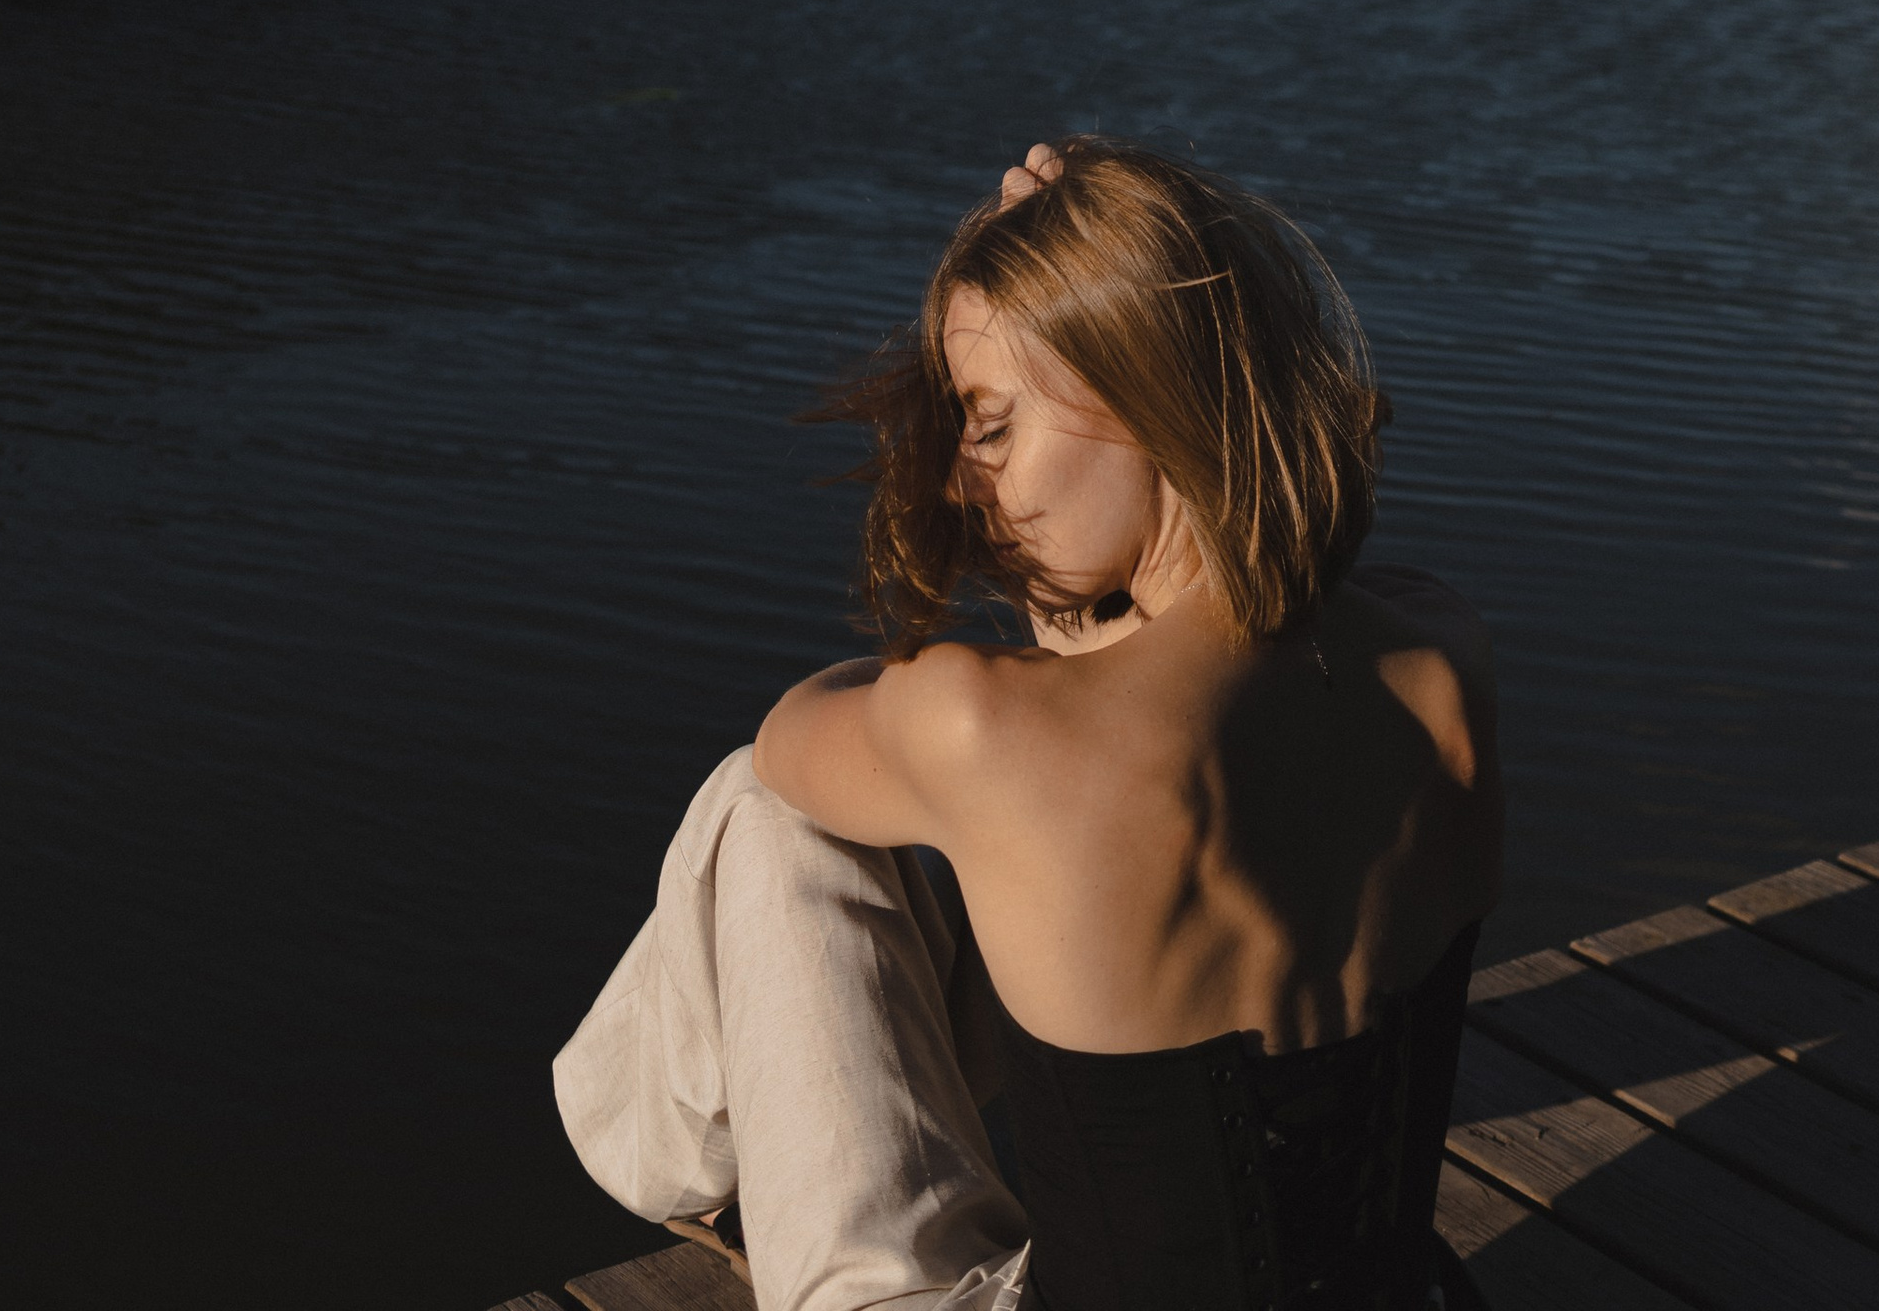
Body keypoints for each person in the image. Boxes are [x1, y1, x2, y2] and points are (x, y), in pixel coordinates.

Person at [553, 137, 1503, 1310]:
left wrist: (1050, 647)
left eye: (991, 423)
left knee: (761, 811)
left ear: (1153, 401)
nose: (962, 478)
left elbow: (791, 737)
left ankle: (674, 1166)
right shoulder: (1440, 652)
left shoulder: (983, 732)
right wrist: (1083, 280)